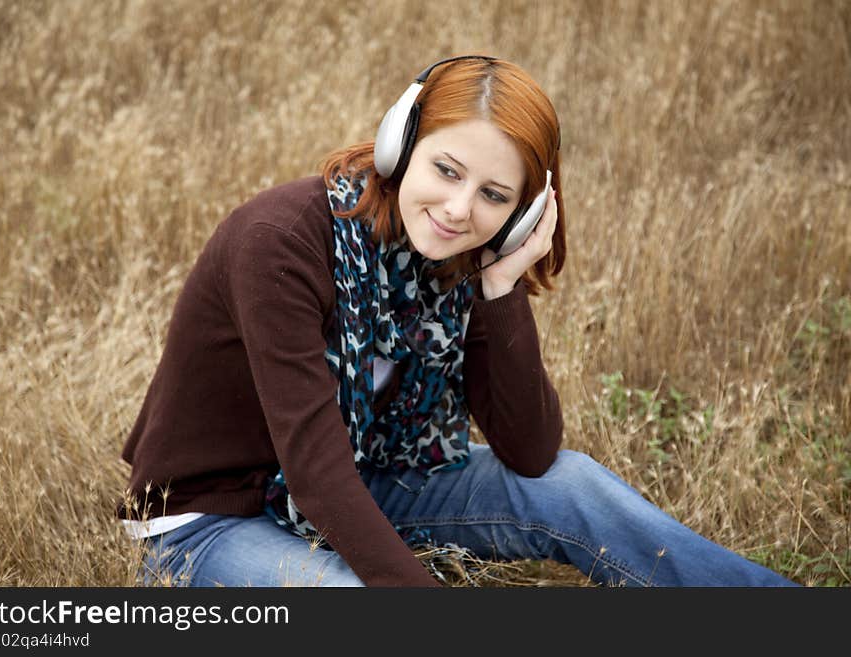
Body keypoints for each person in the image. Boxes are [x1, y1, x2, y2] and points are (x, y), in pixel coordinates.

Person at [118, 55, 798, 587]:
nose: (458, 208)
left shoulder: (460, 258)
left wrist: (500, 288)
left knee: (572, 482)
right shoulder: (279, 244)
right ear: (401, 143)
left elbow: (529, 453)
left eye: (494, 195)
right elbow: (315, 472)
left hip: (367, 474)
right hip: (211, 520)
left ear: (523, 213)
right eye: (446, 169)